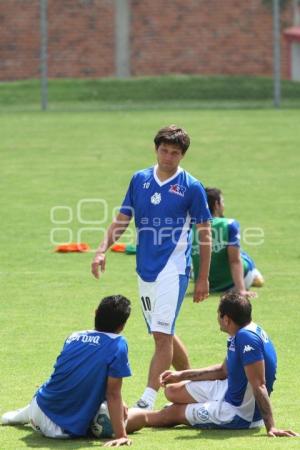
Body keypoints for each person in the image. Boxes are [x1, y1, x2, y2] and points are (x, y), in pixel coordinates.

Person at [92, 125, 212, 410]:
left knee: (160, 335)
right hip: (144, 268)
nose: (168, 157)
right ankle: (193, 384)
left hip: (173, 267)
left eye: (175, 153)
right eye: (164, 150)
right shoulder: (139, 179)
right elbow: (122, 220)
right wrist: (100, 250)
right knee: (163, 333)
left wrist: (203, 278)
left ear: (182, 156)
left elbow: (204, 234)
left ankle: (147, 397)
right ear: (156, 149)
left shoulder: (191, 187)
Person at [126, 292, 298, 438]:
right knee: (172, 390)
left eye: (219, 314)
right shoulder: (242, 332)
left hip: (237, 412)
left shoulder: (246, 339)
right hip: (228, 389)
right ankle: (188, 409)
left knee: (167, 415)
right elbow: (223, 370)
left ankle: (115, 423)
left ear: (227, 319)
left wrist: (271, 427)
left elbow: (259, 384)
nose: (217, 318)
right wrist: (182, 374)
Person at [1, 295, 132, 447]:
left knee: (57, 389)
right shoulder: (118, 344)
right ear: (122, 326)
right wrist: (121, 435)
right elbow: (113, 394)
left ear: (95, 313)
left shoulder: (74, 336)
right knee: (119, 414)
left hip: (38, 408)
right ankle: (158, 416)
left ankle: (24, 414)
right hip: (59, 431)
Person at [192, 187, 264, 296]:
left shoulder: (190, 226)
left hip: (206, 283)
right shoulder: (229, 224)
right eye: (223, 202)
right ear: (216, 204)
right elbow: (234, 260)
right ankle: (254, 275)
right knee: (242, 254)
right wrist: (241, 290)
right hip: (233, 283)